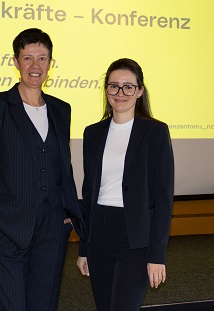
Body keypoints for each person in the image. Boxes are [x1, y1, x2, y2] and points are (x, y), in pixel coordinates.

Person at [0, 28, 86, 311]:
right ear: (15, 62)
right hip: (6, 229)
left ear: (50, 63)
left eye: (42, 58)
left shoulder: (61, 109)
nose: (35, 66)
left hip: (52, 231)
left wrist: (68, 217)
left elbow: (63, 168)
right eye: (28, 58)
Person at [76, 58, 175, 311]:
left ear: (139, 91)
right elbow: (88, 193)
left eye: (128, 87)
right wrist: (84, 248)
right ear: (106, 90)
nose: (120, 93)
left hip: (136, 239)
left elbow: (164, 199)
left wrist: (157, 255)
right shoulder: (92, 133)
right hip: (99, 235)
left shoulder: (155, 132)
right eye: (114, 86)